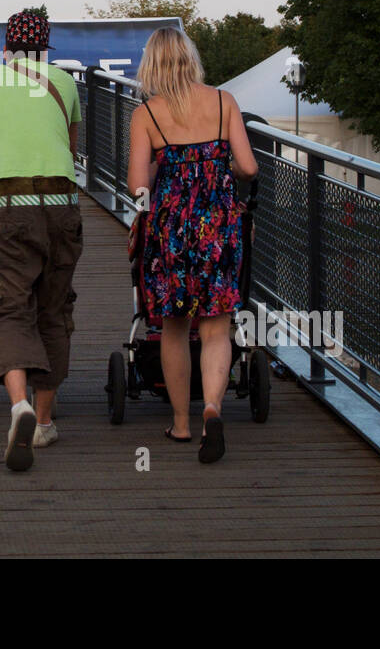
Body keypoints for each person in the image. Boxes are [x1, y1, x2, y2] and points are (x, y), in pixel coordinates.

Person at [0, 10, 82, 472]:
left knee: (10, 306)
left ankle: (19, 405)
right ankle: (44, 421)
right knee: (54, 306)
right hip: (61, 201)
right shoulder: (63, 82)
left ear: (5, 47)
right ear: (46, 48)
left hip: (9, 205)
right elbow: (70, 147)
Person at [125, 26, 258, 464]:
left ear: (153, 65)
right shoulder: (224, 102)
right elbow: (248, 166)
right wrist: (218, 173)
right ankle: (213, 410)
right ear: (190, 58)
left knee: (175, 327)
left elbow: (137, 186)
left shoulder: (148, 114)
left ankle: (181, 423)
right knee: (217, 326)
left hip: (171, 230)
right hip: (219, 225)